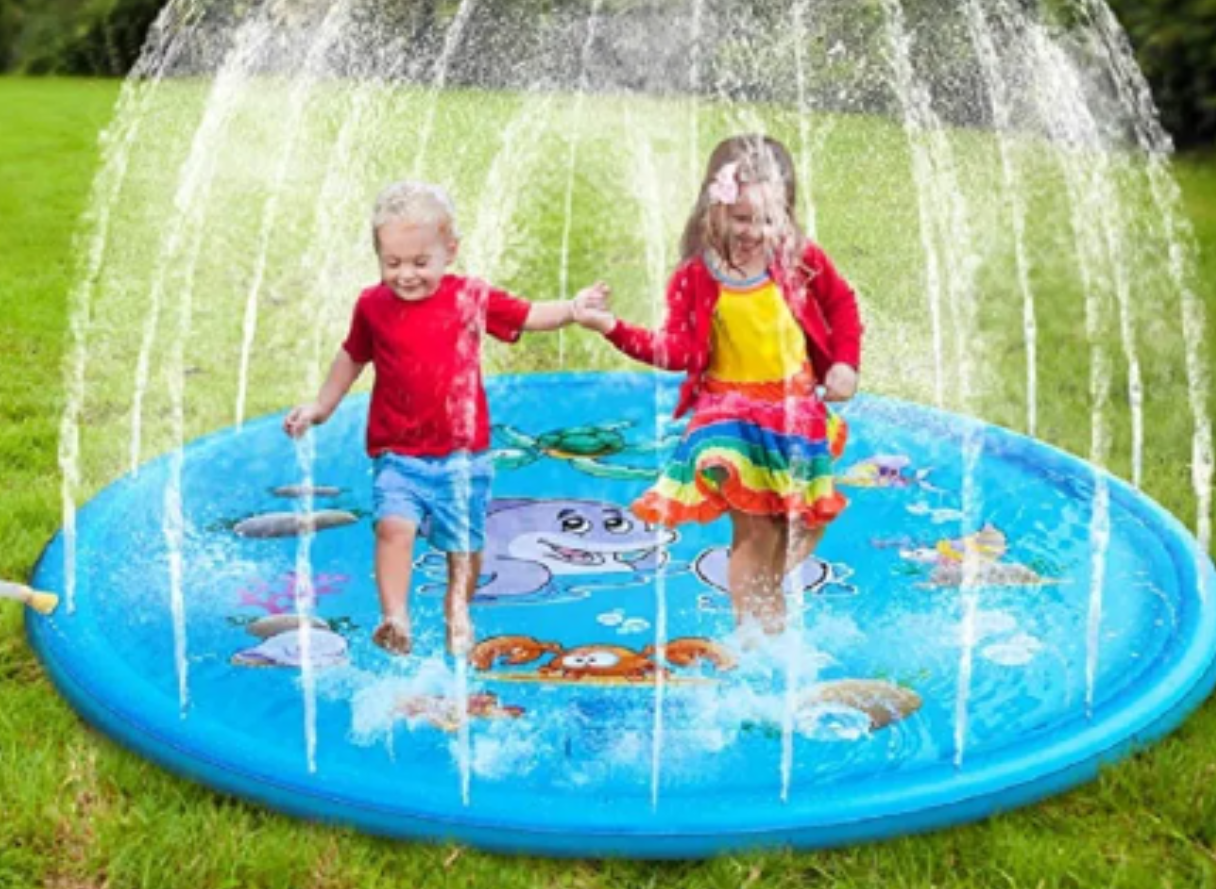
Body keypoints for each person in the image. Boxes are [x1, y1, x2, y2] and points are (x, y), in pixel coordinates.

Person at [284, 181, 605, 658]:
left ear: (448, 251)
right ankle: (395, 617)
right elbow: (352, 356)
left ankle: (458, 608)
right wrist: (321, 406)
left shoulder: (469, 296)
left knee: (465, 548)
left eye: (419, 262)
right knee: (393, 528)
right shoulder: (372, 306)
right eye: (392, 263)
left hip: (462, 457)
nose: (406, 275)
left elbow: (528, 314)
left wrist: (572, 311)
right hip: (399, 454)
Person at [575, 134, 862, 635]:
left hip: (794, 411)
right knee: (754, 530)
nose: (754, 232)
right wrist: (613, 329)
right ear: (716, 210)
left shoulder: (799, 257)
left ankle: (763, 597)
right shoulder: (695, 277)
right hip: (731, 418)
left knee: (803, 521)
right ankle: (758, 638)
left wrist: (845, 363)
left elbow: (841, 305)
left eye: (768, 220)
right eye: (742, 219)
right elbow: (679, 352)